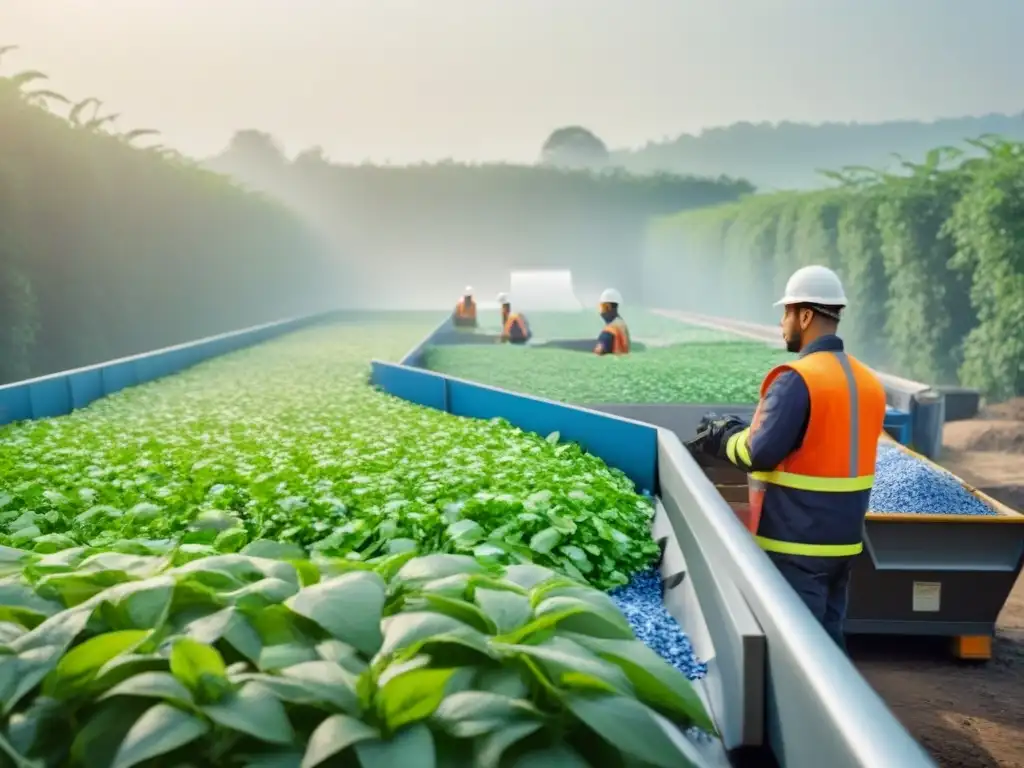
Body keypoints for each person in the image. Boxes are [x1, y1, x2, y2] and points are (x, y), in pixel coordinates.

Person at [693, 265, 886, 651]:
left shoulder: (797, 379)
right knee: (830, 649)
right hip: (844, 544)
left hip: (797, 545)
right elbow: (816, 436)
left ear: (805, 315)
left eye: (785, 313)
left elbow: (758, 452)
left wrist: (722, 437)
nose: (781, 323)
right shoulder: (867, 381)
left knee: (800, 655)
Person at [594, 288, 630, 355]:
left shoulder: (609, 332)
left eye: (601, 307)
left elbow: (598, 352)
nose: (600, 311)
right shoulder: (622, 325)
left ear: (608, 307)